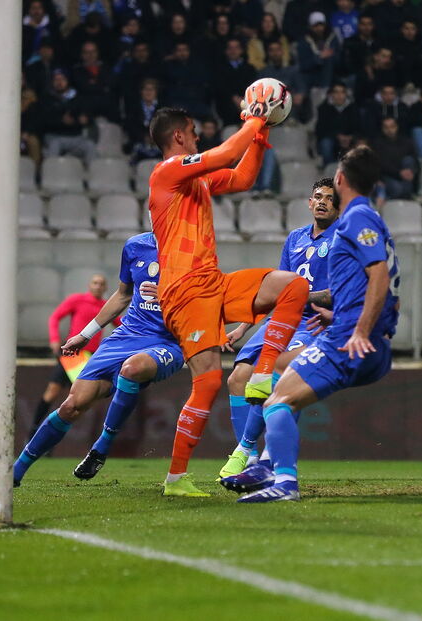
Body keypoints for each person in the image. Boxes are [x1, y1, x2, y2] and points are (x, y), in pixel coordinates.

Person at [147, 102, 310, 497]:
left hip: (213, 282)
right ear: (179, 137)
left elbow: (242, 176)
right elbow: (225, 154)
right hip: (184, 291)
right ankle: (176, 478)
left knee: (293, 287)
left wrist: (261, 131)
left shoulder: (196, 179)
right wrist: (255, 114)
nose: (199, 136)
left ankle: (263, 371)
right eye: (193, 131)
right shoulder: (168, 171)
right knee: (208, 382)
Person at [226, 145, 400, 502]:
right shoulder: (371, 220)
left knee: (276, 403)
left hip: (349, 341)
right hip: (353, 334)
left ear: (341, 180)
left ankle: (281, 479)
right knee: (278, 379)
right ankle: (263, 462)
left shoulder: (356, 219)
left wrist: (359, 329)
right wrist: (343, 316)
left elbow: (380, 278)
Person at [13, 234, 184, 486]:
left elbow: (206, 299)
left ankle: (101, 447)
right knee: (71, 404)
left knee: (132, 369)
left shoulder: (192, 248)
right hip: (122, 339)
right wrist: (85, 334)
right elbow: (123, 295)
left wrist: (170, 296)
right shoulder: (135, 246)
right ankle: (16, 472)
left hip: (167, 341)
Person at [218, 178, 340, 486]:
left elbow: (341, 289)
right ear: (309, 203)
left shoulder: (343, 239)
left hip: (312, 323)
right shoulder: (295, 238)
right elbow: (276, 290)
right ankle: (253, 460)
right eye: (317, 196)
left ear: (339, 206)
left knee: (280, 378)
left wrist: (304, 299)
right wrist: (244, 326)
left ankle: (253, 453)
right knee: (238, 377)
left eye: (329, 197)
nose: (323, 201)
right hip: (283, 318)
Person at [29, 274, 110, 440]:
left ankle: (52, 437)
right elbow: (55, 317)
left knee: (83, 400)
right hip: (72, 355)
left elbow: (121, 324)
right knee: (52, 393)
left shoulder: (107, 307)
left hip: (89, 359)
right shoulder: (77, 300)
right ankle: (33, 432)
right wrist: (54, 340)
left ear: (105, 288)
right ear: (89, 285)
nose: (97, 286)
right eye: (94, 282)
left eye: (101, 284)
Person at [371, 117, 418, 201]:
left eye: (392, 126)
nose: (389, 130)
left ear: (397, 127)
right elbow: (381, 165)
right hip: (388, 176)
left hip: (406, 177)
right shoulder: (377, 143)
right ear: (382, 129)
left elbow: (415, 160)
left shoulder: (407, 142)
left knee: (409, 160)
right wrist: (399, 172)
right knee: (397, 189)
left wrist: (412, 172)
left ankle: (407, 192)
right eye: (386, 127)